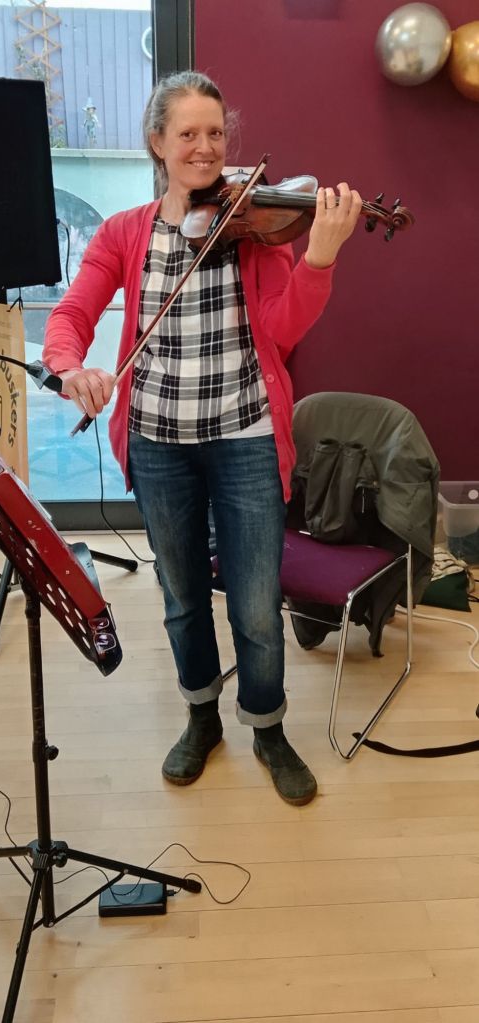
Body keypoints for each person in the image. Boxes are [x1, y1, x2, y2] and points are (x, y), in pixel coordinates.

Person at [43, 70, 362, 805]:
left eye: (215, 133)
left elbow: (281, 333)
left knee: (253, 603)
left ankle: (267, 725)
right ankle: (200, 718)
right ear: (156, 142)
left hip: (245, 437)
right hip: (158, 445)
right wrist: (68, 367)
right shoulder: (124, 233)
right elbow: (72, 315)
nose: (205, 147)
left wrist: (319, 256)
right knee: (181, 595)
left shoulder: (253, 224)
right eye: (187, 133)